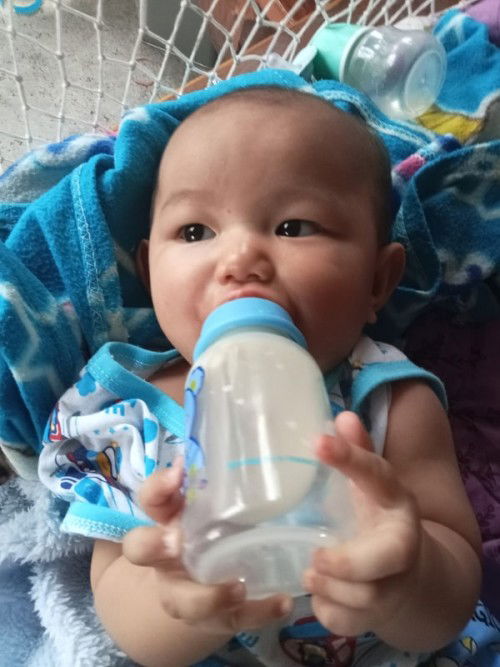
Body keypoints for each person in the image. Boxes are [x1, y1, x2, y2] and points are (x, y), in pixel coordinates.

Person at [38, 86, 481, 667]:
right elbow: (123, 617)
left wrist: (411, 577)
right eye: (195, 232)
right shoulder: (127, 418)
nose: (240, 258)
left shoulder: (389, 400)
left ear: (378, 281)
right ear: (148, 273)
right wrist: (174, 597)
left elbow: (455, 590)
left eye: (294, 226)